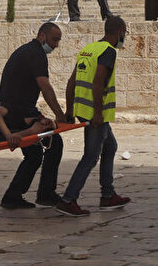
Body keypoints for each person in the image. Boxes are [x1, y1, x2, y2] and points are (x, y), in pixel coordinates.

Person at [55, 16, 131, 218]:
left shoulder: (88, 50)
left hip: (82, 109)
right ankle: (69, 199)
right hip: (95, 114)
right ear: (120, 31)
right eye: (125, 34)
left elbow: (72, 81)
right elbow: (98, 83)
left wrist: (70, 110)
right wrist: (97, 113)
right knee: (90, 156)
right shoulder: (108, 52)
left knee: (111, 146)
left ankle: (108, 195)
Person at [0, 22, 69, 210]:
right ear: (42, 36)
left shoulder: (28, 51)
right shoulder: (36, 54)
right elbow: (45, 87)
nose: (56, 45)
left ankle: (14, 195)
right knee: (53, 143)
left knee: (35, 153)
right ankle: (44, 194)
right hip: (17, 114)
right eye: (54, 40)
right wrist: (60, 115)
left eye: (58, 41)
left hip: (18, 110)